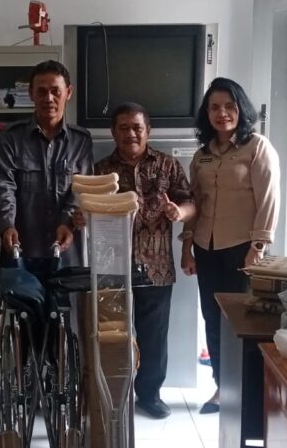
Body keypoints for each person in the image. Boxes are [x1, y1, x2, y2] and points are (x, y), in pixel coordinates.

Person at [77, 102, 195, 419]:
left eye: (137, 128)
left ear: (148, 131)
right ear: (114, 132)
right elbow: (84, 210)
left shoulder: (168, 165)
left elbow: (190, 203)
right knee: (112, 336)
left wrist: (178, 212)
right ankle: (112, 394)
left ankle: (150, 395)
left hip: (157, 268)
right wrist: (81, 218)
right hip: (111, 269)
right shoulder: (100, 171)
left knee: (154, 337)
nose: (131, 134)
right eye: (124, 128)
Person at [180, 78, 280, 414]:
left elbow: (269, 200)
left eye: (229, 106)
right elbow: (195, 203)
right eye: (214, 107)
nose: (222, 113)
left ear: (241, 109)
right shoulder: (202, 156)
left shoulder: (257, 147)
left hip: (243, 248)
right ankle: (223, 386)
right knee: (212, 319)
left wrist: (258, 247)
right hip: (206, 247)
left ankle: (247, 389)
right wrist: (187, 248)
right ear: (206, 114)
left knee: (242, 320)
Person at [0, 60, 93, 269]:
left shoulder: (80, 140)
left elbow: (81, 190)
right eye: (42, 91)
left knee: (69, 293)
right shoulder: (11, 138)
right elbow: (3, 187)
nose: (49, 98)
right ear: (31, 94)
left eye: (56, 91)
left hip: (67, 253)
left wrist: (67, 222)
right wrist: (7, 225)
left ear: (68, 92)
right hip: (21, 250)